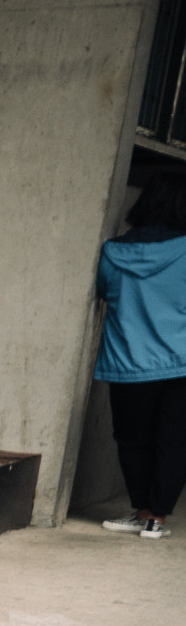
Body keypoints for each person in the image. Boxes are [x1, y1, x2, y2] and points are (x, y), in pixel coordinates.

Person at [94, 167, 186, 540]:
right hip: (181, 363)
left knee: (133, 440)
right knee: (174, 442)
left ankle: (142, 511)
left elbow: (104, 292)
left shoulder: (113, 252)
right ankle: (155, 520)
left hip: (129, 361)